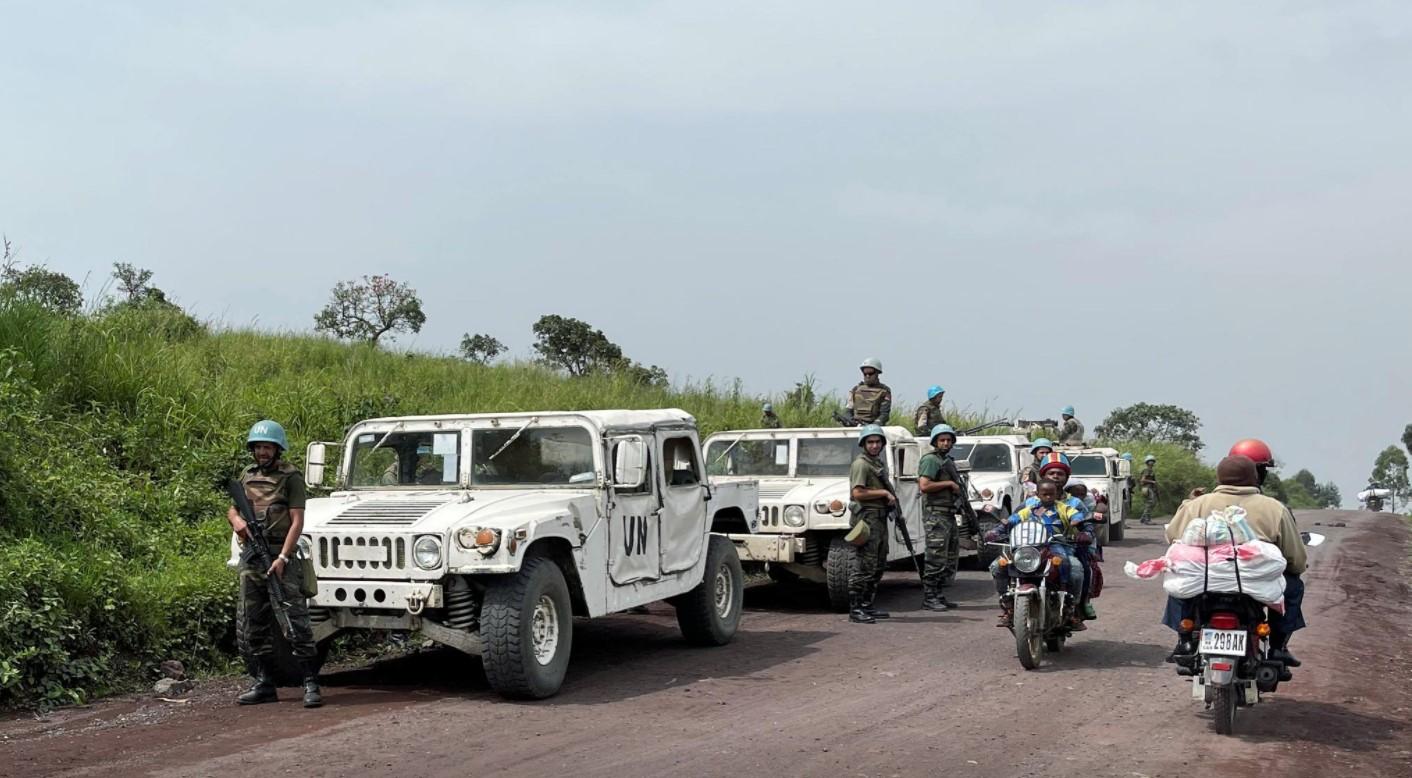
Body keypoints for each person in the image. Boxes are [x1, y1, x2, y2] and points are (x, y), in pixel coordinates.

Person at [1160, 454, 1307, 673]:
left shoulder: (1197, 505)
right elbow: (1294, 558)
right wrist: (1294, 569)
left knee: (1179, 581)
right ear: (1255, 477)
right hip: (1254, 584)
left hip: (1206, 580)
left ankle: (1184, 640)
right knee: (1293, 587)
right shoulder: (1275, 509)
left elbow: (1173, 537)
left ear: (1219, 477)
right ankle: (1277, 646)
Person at [229, 420, 322, 708]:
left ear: (277, 449)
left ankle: (310, 682)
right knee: (253, 624)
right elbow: (233, 508)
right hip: (253, 558)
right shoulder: (247, 475)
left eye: (267, 447)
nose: (262, 452)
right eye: (258, 447)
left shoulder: (290, 477)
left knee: (295, 622)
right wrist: (238, 523)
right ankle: (264, 682)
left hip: (279, 556)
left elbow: (297, 521)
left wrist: (282, 557)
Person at [988, 480, 1088, 628]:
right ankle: (1008, 605)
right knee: (998, 565)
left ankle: (1070, 606)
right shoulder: (1029, 510)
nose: (1048, 497)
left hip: (1055, 545)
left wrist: (1076, 521)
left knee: (1074, 567)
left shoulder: (1063, 508)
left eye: (1051, 494)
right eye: (1045, 494)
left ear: (1057, 494)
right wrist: (996, 531)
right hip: (1027, 547)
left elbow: (1076, 515)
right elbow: (1012, 520)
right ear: (1037, 494)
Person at [848, 425, 896, 624]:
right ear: (864, 444)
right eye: (870, 442)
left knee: (878, 563)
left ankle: (867, 604)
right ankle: (856, 608)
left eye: (877, 442)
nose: (874, 445)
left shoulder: (876, 463)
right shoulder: (862, 464)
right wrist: (884, 493)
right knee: (864, 564)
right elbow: (857, 493)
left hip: (879, 517)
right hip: (867, 519)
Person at [918, 424, 963, 611]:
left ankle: (938, 594)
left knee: (948, 558)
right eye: (942, 440)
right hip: (936, 515)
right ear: (935, 441)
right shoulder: (931, 460)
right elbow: (924, 485)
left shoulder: (946, 460)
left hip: (948, 514)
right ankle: (929, 597)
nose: (945, 443)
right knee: (935, 557)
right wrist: (949, 484)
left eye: (948, 440)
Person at [845, 358, 892, 426]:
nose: (867, 376)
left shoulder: (884, 391)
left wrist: (876, 424)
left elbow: (884, 414)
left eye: (870, 373)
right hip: (855, 427)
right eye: (865, 373)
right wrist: (850, 421)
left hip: (874, 428)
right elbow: (848, 410)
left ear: (877, 373)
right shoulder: (855, 390)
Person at [1138, 454, 1158, 524]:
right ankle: (1147, 519)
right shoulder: (1147, 470)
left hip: (1149, 488)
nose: (1152, 462)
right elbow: (1142, 480)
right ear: (1147, 462)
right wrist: (1152, 481)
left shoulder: (1150, 470)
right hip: (1147, 488)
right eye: (1150, 461)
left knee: (1150, 503)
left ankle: (1143, 518)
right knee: (1150, 503)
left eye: (1152, 461)